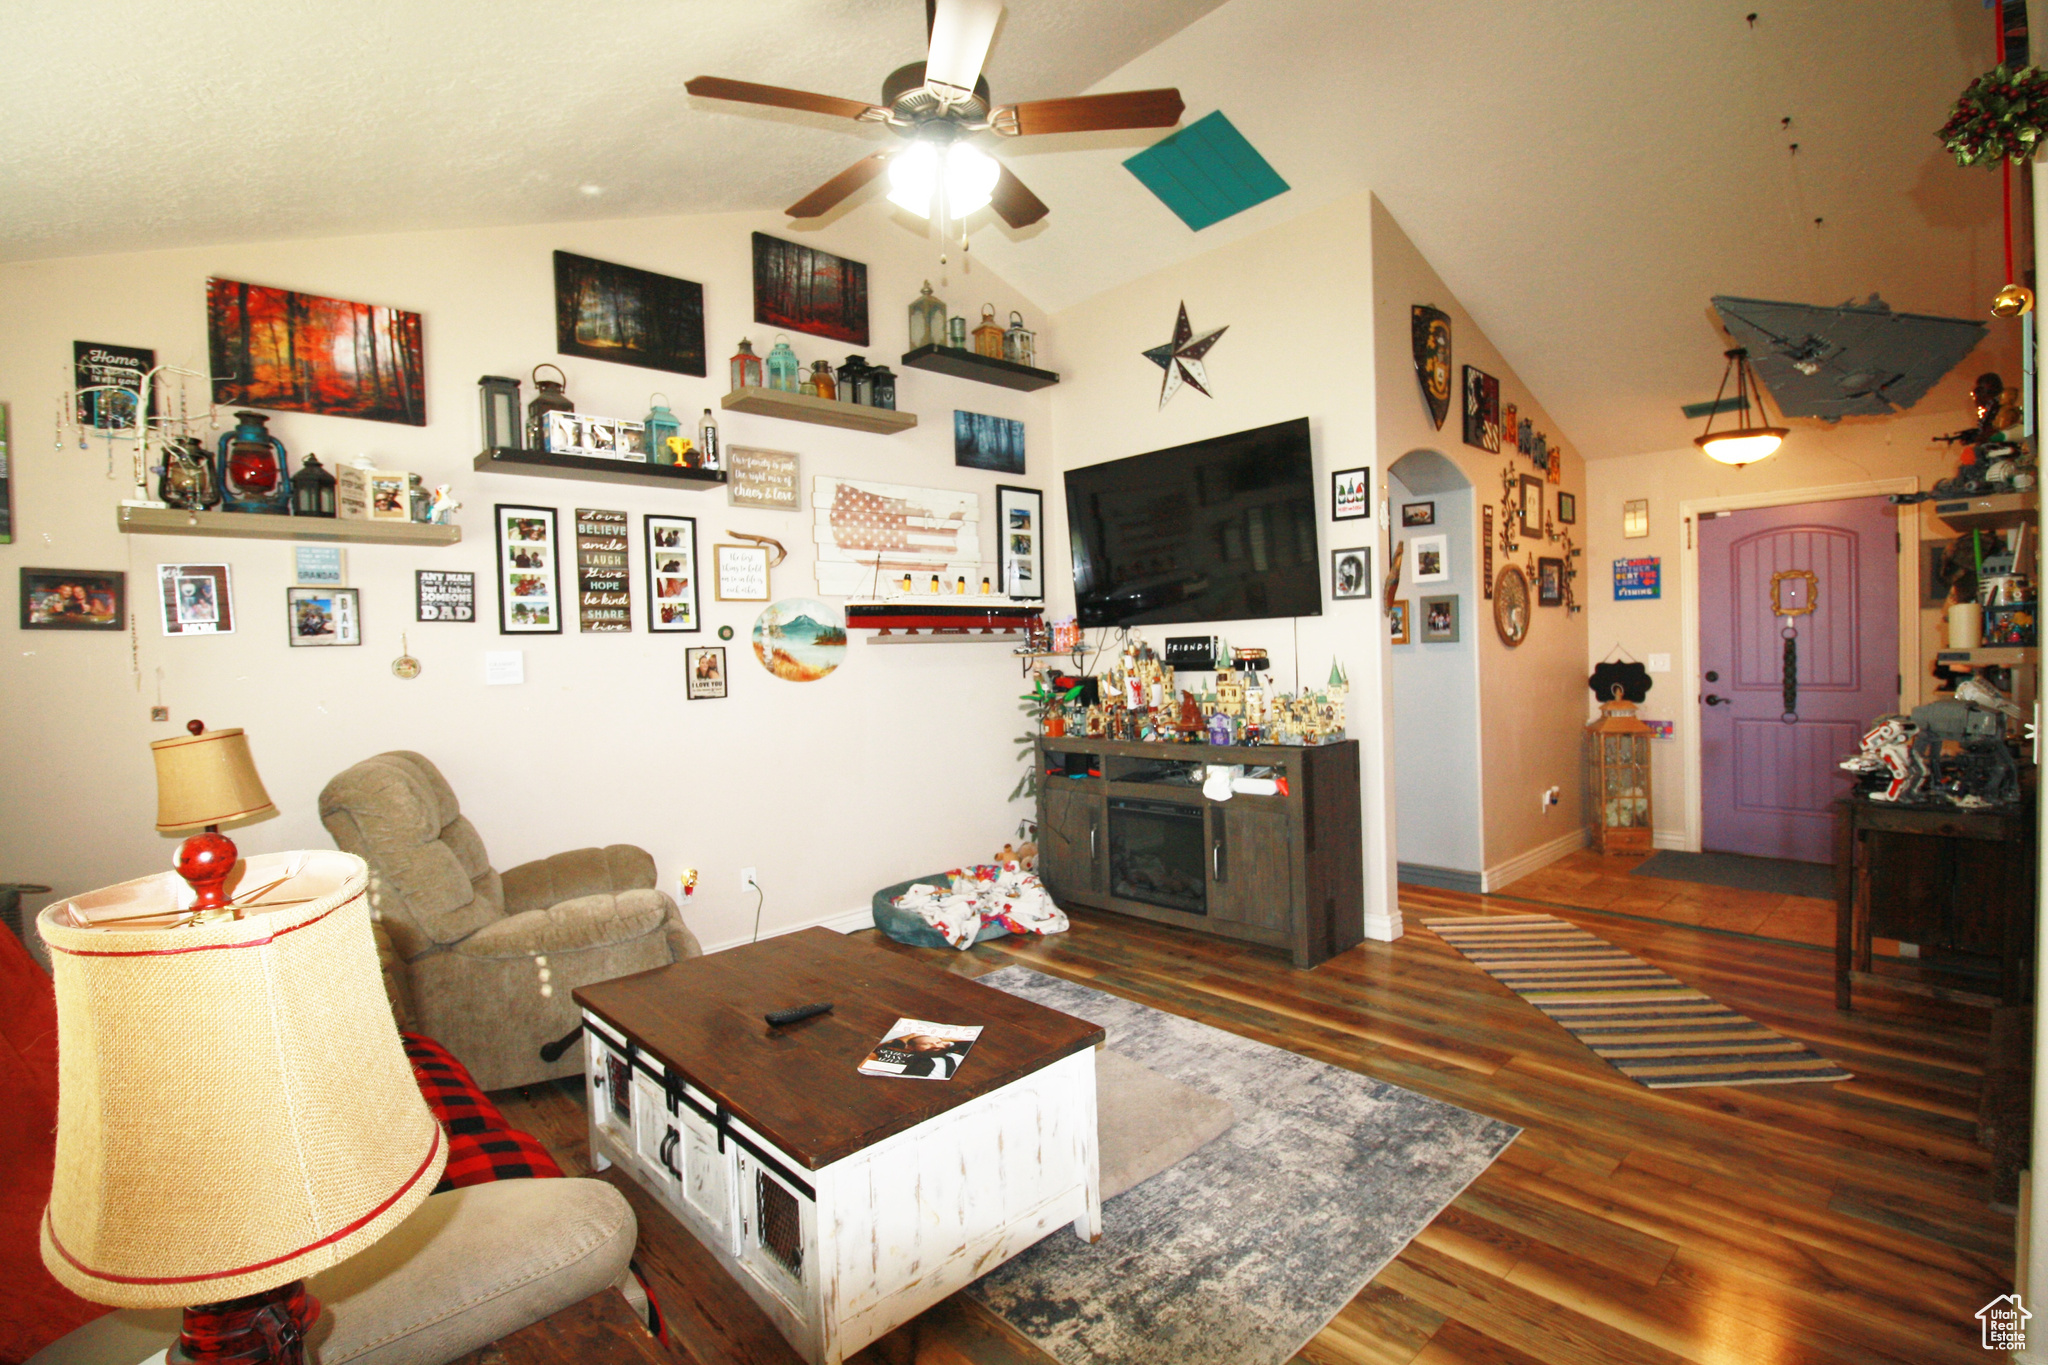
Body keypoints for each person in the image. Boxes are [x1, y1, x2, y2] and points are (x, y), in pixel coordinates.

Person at [876, 1032, 971, 1079]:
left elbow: (971, 1042)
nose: (935, 1046)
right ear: (911, 1048)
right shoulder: (912, 1060)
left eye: (938, 1042)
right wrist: (905, 1038)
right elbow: (883, 1050)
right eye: (927, 1044)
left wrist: (949, 1043)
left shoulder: (955, 1053)